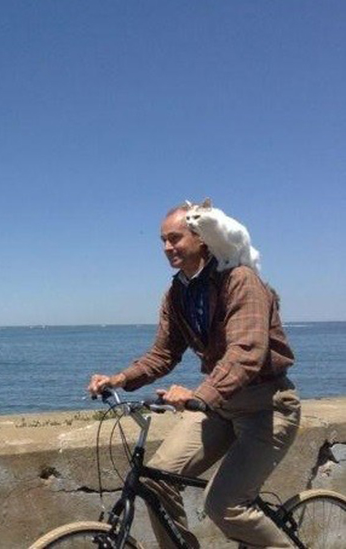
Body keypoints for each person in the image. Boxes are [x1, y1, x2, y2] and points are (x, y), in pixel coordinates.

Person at [88, 203, 301, 548]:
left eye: (175, 238)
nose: (167, 247)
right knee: (157, 480)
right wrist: (120, 379)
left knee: (225, 505)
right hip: (218, 407)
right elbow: (163, 353)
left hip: (266, 407)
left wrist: (199, 395)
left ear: (202, 238)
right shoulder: (178, 293)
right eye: (162, 240)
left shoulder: (240, 279)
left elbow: (246, 352)